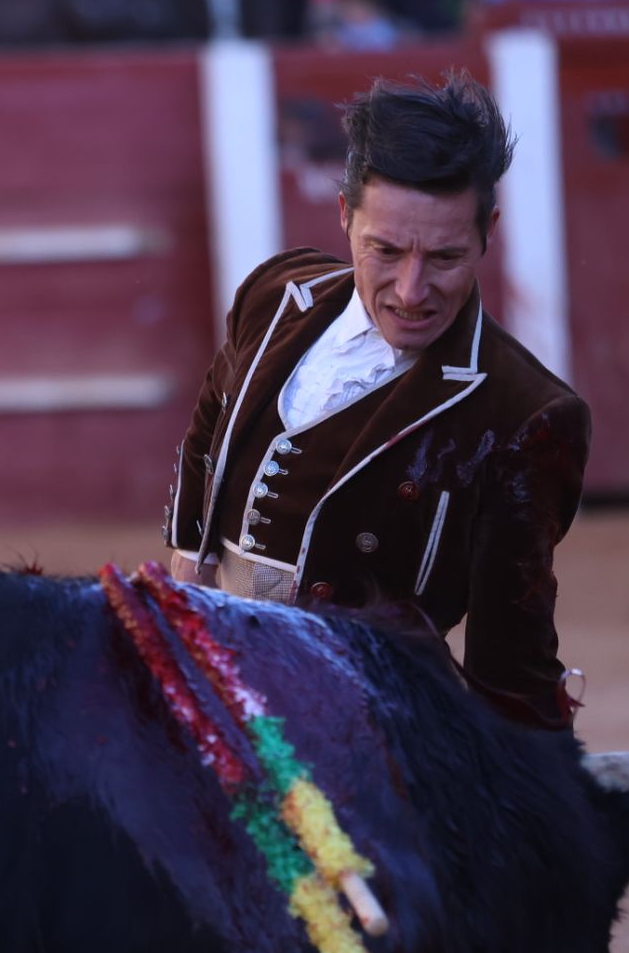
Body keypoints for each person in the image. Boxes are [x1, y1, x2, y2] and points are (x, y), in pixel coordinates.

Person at [164, 72, 590, 730]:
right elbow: (211, 428)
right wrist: (186, 584)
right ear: (344, 214)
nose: (412, 291)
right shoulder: (277, 296)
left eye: (445, 257)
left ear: (488, 231)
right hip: (214, 683)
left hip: (368, 726)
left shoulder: (524, 414)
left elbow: (511, 659)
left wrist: (543, 775)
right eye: (385, 251)